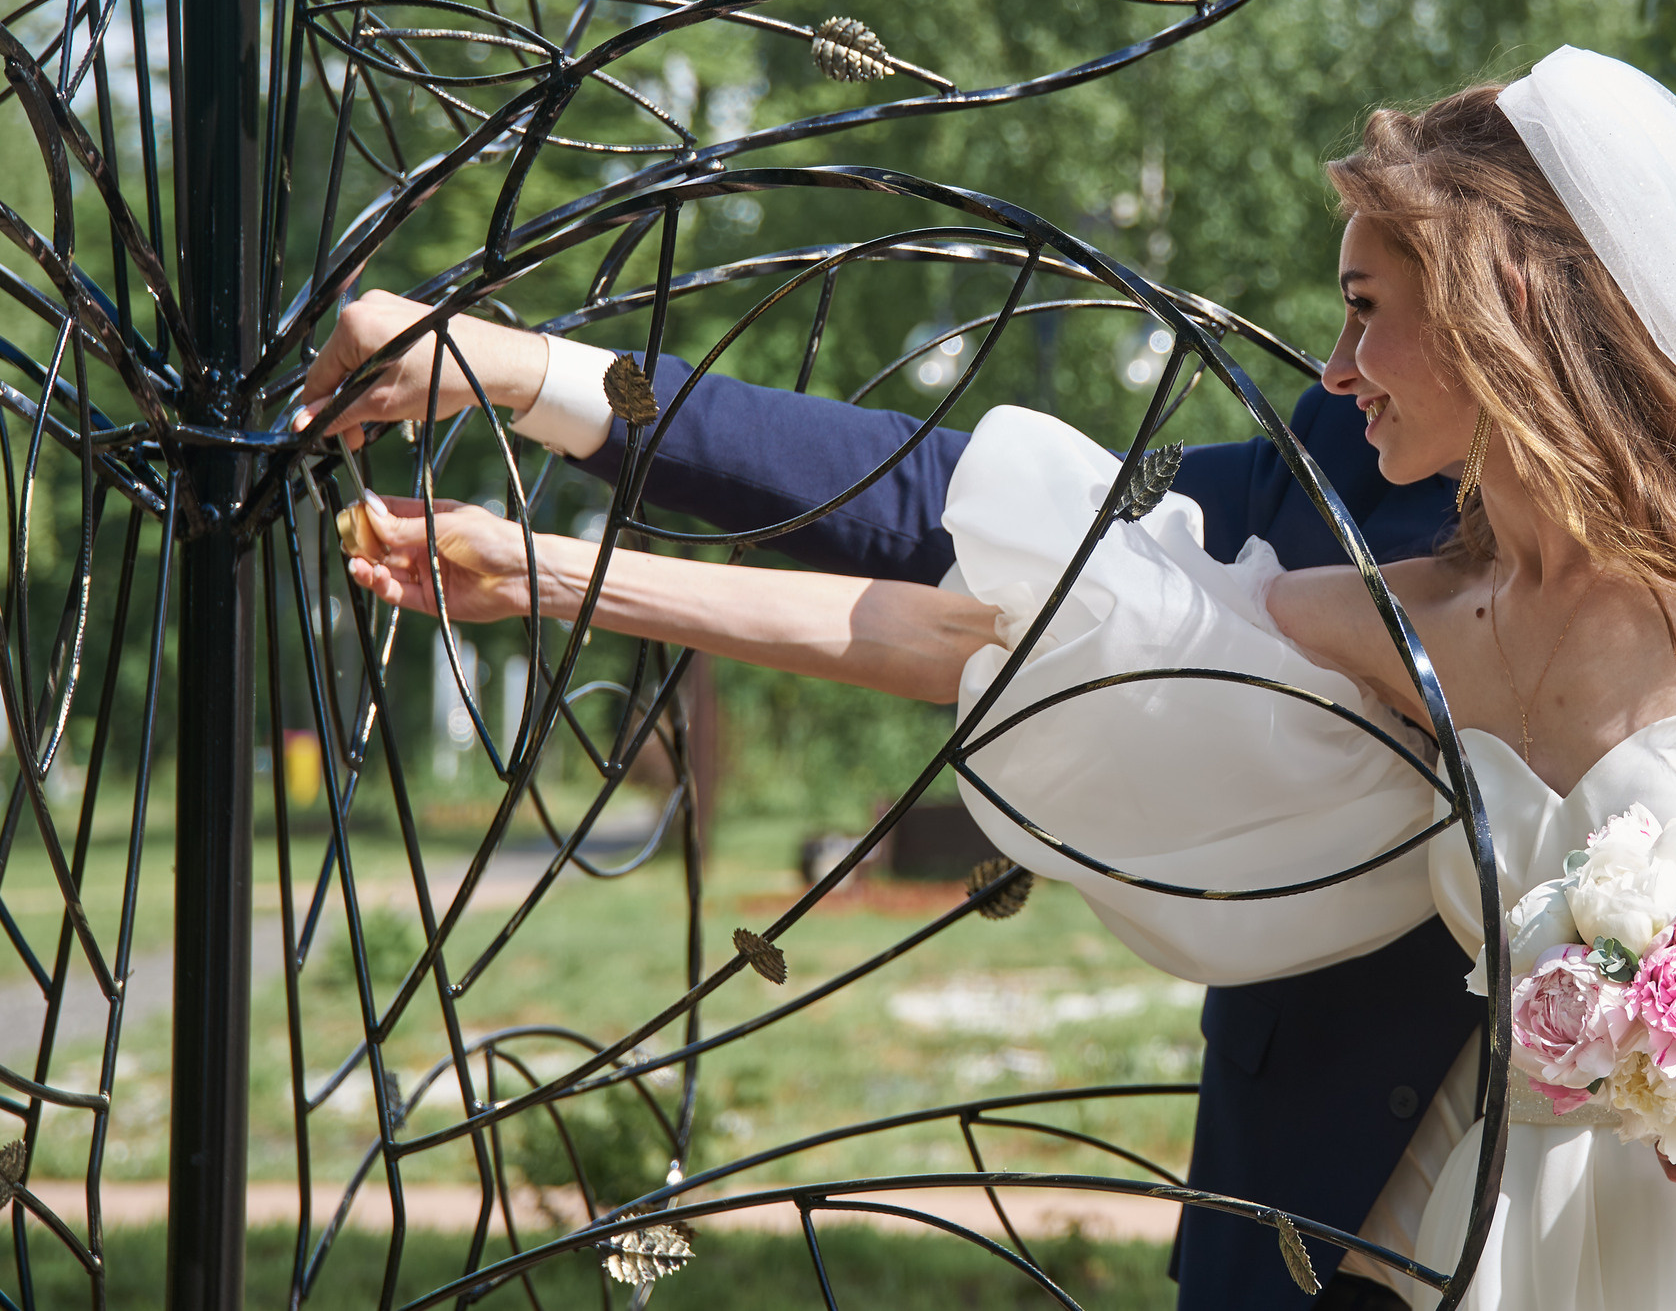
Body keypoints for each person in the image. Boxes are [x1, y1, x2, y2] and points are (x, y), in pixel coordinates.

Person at [338, 49, 1676, 1311]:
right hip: (1473, 1244)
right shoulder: (1398, 604)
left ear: (1501, 312)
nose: (1335, 365)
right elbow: (976, 602)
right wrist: (565, 548)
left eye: (1370, 313)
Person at [298, 294, 1475, 1311]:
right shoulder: (1338, 454)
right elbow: (942, 529)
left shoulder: (1610, 592)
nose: (1328, 363)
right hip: (1294, 1217)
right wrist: (531, 382)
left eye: (1368, 305)